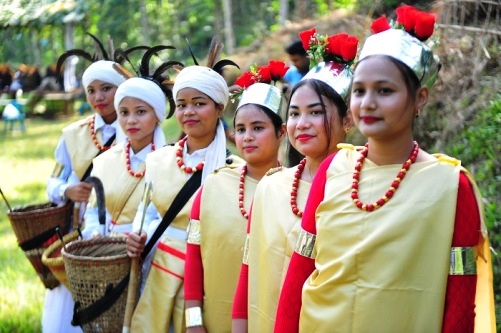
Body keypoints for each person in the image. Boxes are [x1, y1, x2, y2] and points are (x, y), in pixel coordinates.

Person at [275, 6, 496, 332]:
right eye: (360, 91)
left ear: (420, 98)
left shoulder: (452, 186)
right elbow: (300, 271)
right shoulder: (334, 168)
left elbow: (460, 298)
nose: (367, 103)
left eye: (385, 91)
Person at [232, 30, 357, 333]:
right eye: (295, 113)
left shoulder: (363, 186)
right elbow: (250, 268)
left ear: (348, 120)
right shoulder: (272, 187)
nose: (302, 124)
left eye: (315, 112)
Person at [125, 37, 244, 333]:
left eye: (199, 104)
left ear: (219, 108)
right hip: (157, 273)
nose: (189, 111)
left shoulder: (236, 171)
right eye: (182, 105)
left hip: (208, 278)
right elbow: (149, 215)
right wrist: (136, 237)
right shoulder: (158, 160)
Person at [183, 82, 286, 332]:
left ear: (281, 132)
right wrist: (193, 321)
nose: (247, 136)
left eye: (258, 128)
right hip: (213, 320)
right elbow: (194, 257)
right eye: (240, 129)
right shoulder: (215, 184)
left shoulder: (292, 189)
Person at [44, 57, 126, 333]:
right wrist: (67, 190)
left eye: (106, 88)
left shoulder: (138, 127)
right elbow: (52, 181)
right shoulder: (73, 134)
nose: (98, 97)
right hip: (80, 233)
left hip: (122, 231)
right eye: (91, 90)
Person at [82, 67, 170, 238]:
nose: (131, 120)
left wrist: (142, 239)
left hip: (152, 251)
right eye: (124, 112)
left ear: (157, 115)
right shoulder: (105, 161)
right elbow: (94, 210)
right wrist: (95, 233)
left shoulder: (170, 163)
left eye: (141, 112)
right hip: (109, 253)